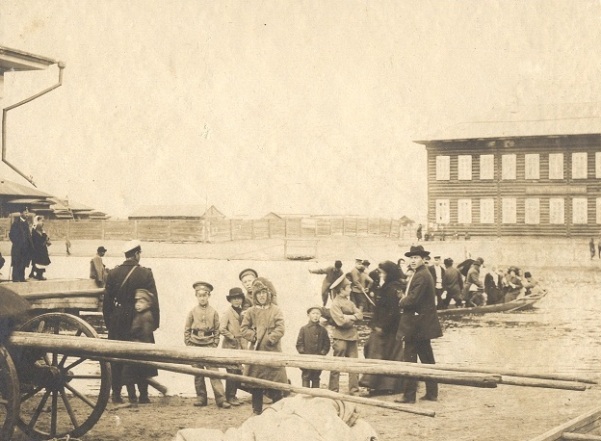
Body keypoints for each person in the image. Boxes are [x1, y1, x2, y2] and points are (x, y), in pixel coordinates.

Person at [103, 240, 160, 404]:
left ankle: (116, 394)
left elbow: (107, 303)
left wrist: (110, 323)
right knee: (142, 355)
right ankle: (143, 395)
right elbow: (153, 301)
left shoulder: (113, 273)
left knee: (117, 356)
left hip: (118, 320)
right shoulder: (145, 273)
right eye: (139, 253)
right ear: (136, 254)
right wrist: (154, 324)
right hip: (139, 318)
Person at [395, 245, 443, 404]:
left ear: (423, 259)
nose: (413, 260)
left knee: (410, 359)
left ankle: (409, 396)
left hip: (415, 326)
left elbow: (413, 299)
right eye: (411, 257)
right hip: (423, 325)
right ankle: (432, 393)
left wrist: (401, 301)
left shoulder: (421, 275)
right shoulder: (422, 273)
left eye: (416, 257)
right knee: (427, 359)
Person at [240, 277, 287, 415]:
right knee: (256, 383)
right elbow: (244, 329)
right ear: (254, 295)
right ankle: (257, 411)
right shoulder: (251, 311)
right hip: (257, 351)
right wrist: (254, 336)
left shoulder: (276, 310)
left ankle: (278, 411)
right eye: (258, 293)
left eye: (264, 293)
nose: (261, 296)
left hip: (273, 350)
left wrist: (270, 339)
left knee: (276, 382)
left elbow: (280, 328)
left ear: (268, 294)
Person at [359, 261, 404, 395]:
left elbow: (392, 311)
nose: (381, 275)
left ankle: (380, 385)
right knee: (384, 354)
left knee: (380, 354)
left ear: (389, 273)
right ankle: (385, 385)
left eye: (383, 273)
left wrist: (381, 326)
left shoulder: (392, 288)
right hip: (387, 327)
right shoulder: (389, 287)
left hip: (387, 329)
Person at [184, 281, 230, 409]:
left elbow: (217, 329)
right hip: (195, 344)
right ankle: (201, 398)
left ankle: (221, 399)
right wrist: (188, 342)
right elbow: (187, 329)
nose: (202, 298)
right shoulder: (192, 311)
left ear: (209, 295)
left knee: (214, 372)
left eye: (204, 295)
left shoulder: (213, 312)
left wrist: (215, 343)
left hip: (209, 344)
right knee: (198, 373)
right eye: (199, 295)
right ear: (196, 296)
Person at [121, 289, 163, 404]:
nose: (138, 304)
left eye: (141, 302)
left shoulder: (146, 316)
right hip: (138, 350)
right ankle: (143, 397)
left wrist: (139, 348)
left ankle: (133, 399)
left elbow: (146, 335)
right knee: (142, 375)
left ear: (148, 304)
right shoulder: (141, 314)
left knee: (128, 375)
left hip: (139, 351)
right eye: (137, 302)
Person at [328, 275, 363, 395]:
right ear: (341, 290)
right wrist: (353, 318)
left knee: (354, 364)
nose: (350, 289)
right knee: (337, 364)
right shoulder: (335, 304)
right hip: (340, 337)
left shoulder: (350, 302)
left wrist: (348, 317)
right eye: (348, 287)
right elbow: (341, 322)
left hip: (352, 337)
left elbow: (360, 315)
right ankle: (333, 390)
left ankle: (354, 389)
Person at [220, 287, 250, 406]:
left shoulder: (244, 312)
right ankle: (230, 397)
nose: (237, 301)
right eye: (234, 299)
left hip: (241, 346)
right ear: (230, 300)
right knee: (231, 371)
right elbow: (222, 328)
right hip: (230, 346)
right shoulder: (228, 312)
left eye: (239, 298)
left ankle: (233, 395)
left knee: (238, 371)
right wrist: (231, 336)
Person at [295, 306, 330, 388]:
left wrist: (323, 352)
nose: (315, 316)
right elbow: (299, 343)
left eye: (318, 314)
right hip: (306, 358)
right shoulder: (304, 329)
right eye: (313, 313)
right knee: (306, 376)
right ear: (309, 315)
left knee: (316, 377)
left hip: (318, 358)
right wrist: (303, 353)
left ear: (320, 315)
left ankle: (315, 394)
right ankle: (305, 393)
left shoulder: (323, 330)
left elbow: (327, 344)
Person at [9, 208, 33, 282]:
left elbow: (28, 235)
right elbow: (11, 235)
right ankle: (15, 278)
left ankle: (22, 277)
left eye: (27, 213)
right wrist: (17, 243)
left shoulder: (26, 223)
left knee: (23, 262)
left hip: (26, 247)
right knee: (17, 262)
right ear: (21, 213)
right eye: (25, 213)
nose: (27, 214)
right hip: (18, 247)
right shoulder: (16, 223)